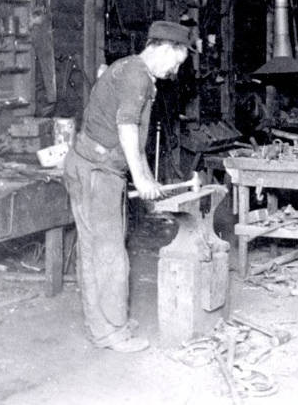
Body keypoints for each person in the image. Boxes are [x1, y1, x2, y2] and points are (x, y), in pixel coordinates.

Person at [63, 20, 195, 352]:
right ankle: (111, 331)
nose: (175, 71)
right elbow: (126, 127)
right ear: (165, 48)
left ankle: (106, 321)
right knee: (107, 253)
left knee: (100, 248)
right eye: (176, 62)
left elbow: (134, 142)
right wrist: (139, 179)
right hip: (97, 171)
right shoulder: (136, 74)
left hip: (100, 168)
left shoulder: (132, 71)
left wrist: (147, 178)